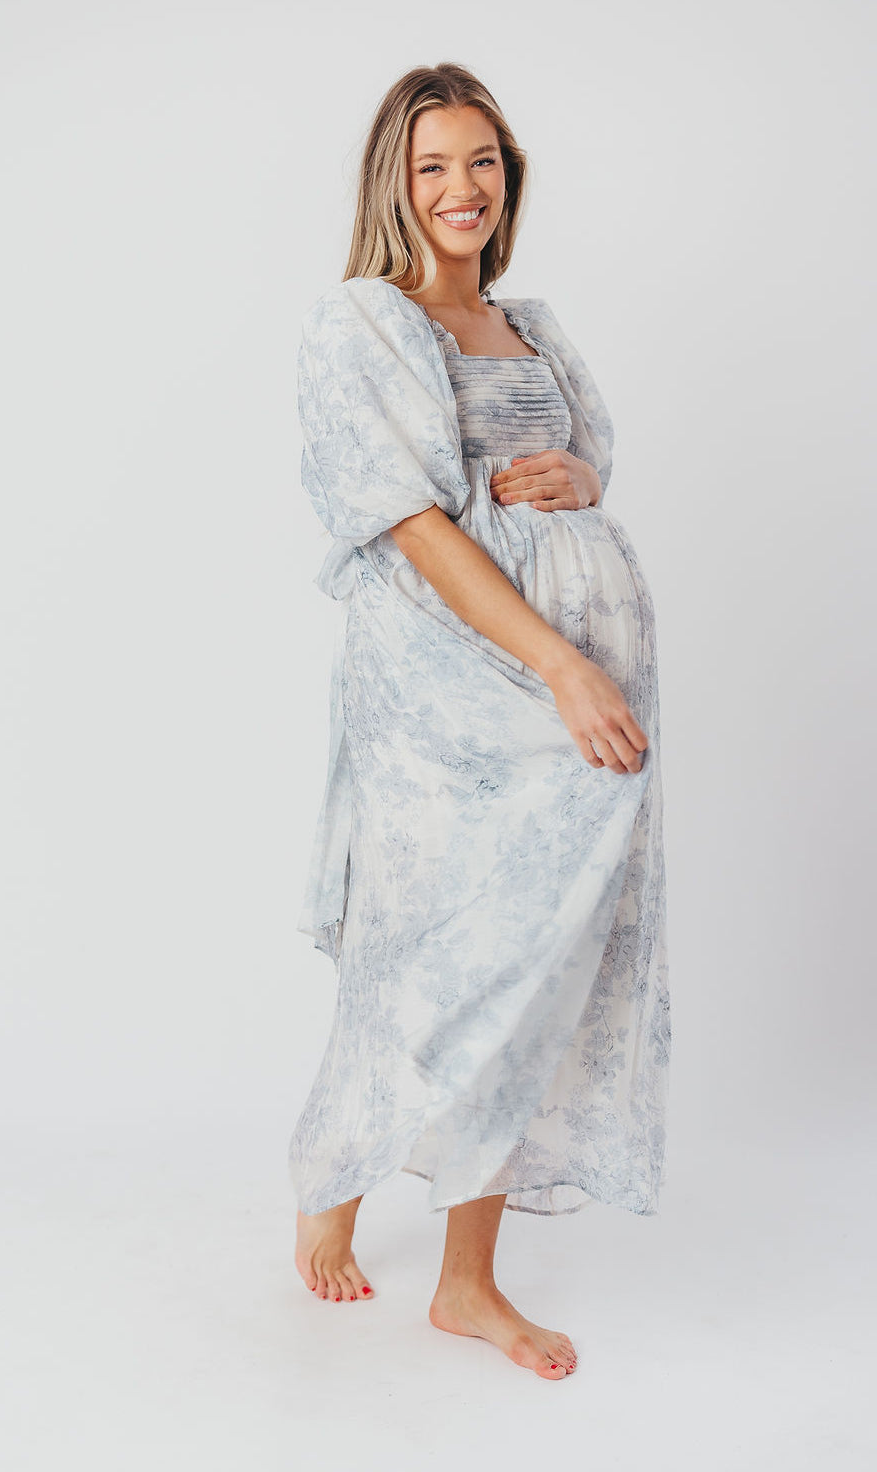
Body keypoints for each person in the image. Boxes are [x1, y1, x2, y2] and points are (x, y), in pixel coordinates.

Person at [288, 62, 670, 1382]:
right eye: (433, 165)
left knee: (531, 966)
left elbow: (580, 458)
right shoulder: (362, 323)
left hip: (570, 691)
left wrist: (578, 478)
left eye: (483, 161)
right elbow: (409, 520)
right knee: (424, 954)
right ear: (394, 184)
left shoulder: (530, 323)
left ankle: (465, 1281)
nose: (462, 188)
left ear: (511, 176)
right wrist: (559, 664)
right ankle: (333, 1177)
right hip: (447, 693)